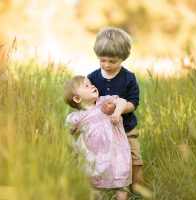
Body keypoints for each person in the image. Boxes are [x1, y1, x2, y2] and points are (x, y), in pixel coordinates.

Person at [87, 27, 143, 193]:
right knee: (103, 159)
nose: (107, 65)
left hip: (126, 129)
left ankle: (137, 189)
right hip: (103, 131)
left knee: (135, 159)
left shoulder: (129, 77)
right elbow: (88, 101)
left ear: (123, 58)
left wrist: (119, 108)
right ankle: (105, 186)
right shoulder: (92, 77)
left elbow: (134, 102)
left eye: (112, 61)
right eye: (102, 60)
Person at [64, 75, 132, 200]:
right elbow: (66, 133)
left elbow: (122, 101)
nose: (92, 86)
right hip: (93, 155)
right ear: (77, 98)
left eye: (90, 83)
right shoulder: (76, 117)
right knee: (93, 183)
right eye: (87, 86)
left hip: (116, 150)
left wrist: (117, 112)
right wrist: (73, 146)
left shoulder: (105, 101)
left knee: (121, 179)